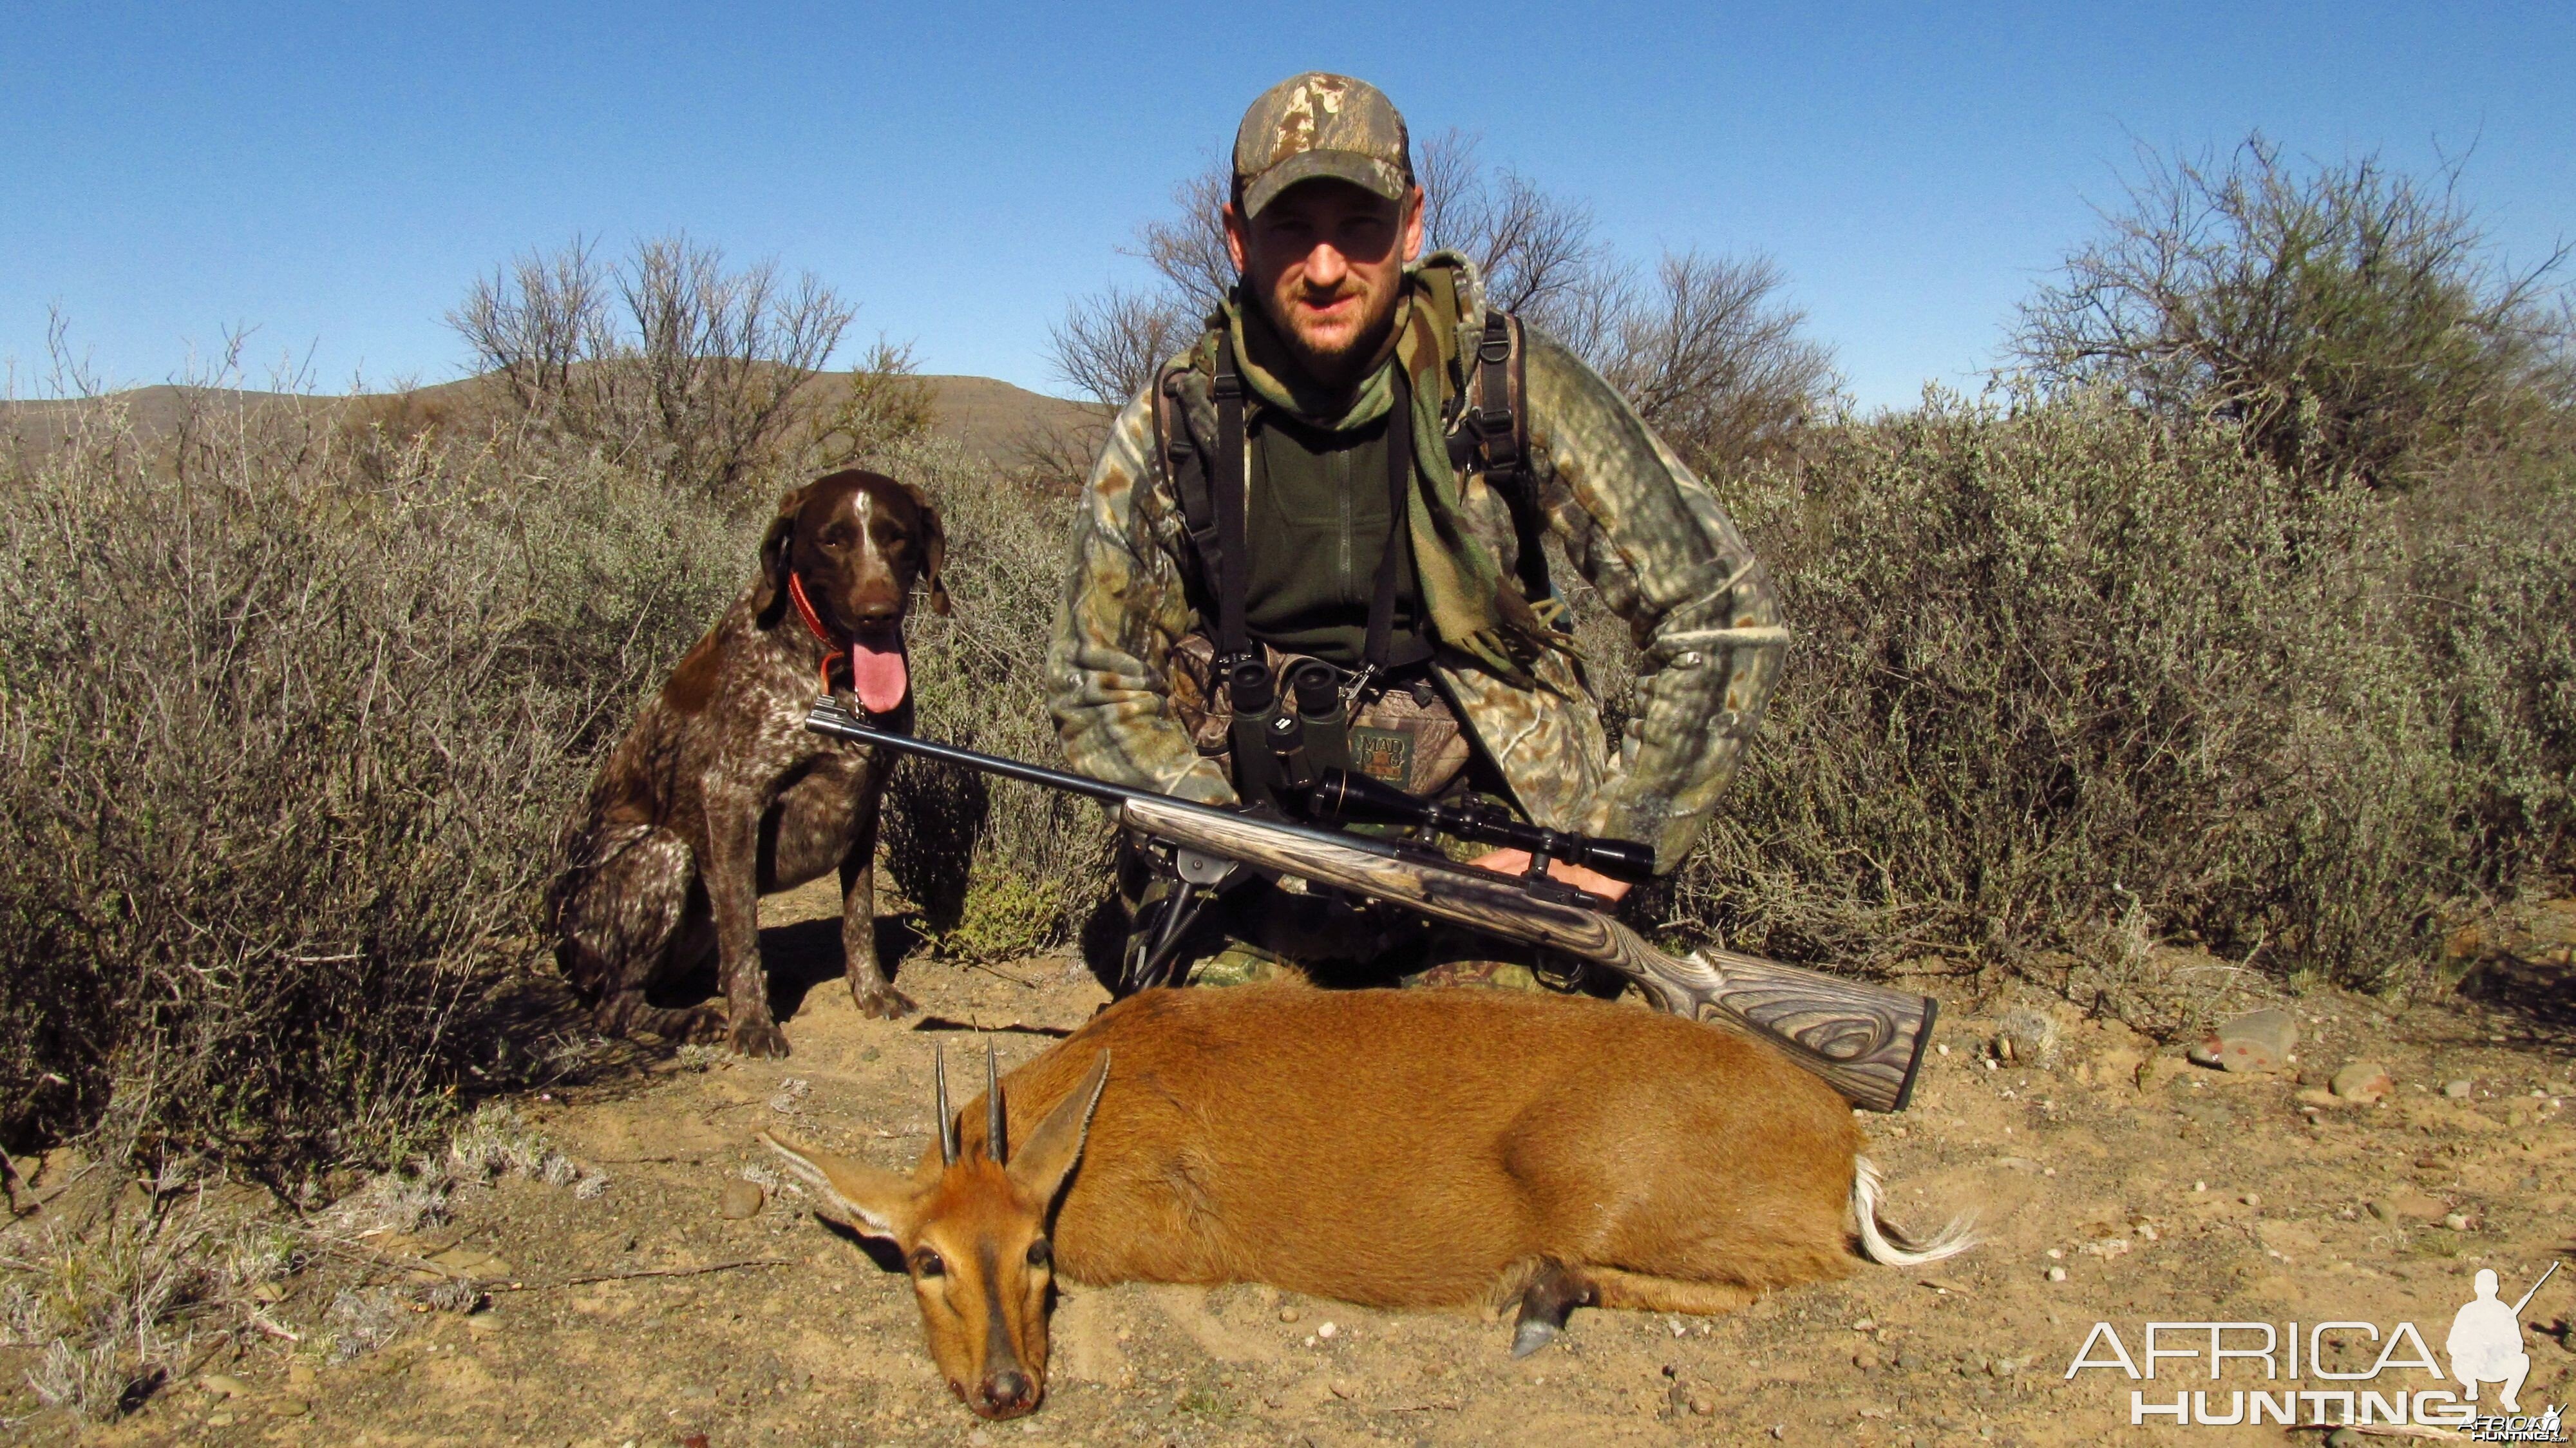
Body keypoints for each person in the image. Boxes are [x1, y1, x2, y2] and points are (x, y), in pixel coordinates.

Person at [1045, 72, 1785, 989]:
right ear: (1235, 237)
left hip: (1491, 864)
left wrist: (1607, 845)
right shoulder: (1176, 421)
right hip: (1255, 857)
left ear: (1413, 222)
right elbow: (1095, 671)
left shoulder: (1509, 385)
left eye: (1358, 224)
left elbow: (1723, 613)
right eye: (1289, 229)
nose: (1324, 268)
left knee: (1510, 1090)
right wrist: (1209, 823)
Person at [2447, 1268, 2532, 1414]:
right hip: (2473, 1364)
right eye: (2482, 1287)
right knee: (2458, 1359)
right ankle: (2471, 1386)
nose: (2486, 1291)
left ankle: (2509, 1396)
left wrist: (2499, 1345)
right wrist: (2472, 1346)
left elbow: (2517, 1344)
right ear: (2476, 1288)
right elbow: (2453, 1342)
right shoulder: (2468, 1310)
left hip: (2497, 1364)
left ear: (2496, 1288)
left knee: (2523, 1360)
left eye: (2489, 1287)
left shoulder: (2504, 1311)